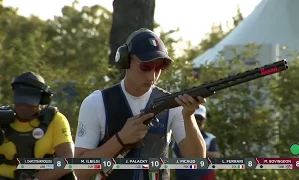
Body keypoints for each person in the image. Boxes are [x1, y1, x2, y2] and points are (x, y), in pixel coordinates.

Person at [74, 28, 207, 180]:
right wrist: (121, 139)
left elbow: (198, 162)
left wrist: (188, 116)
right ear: (126, 60)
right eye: (145, 67)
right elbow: (78, 170)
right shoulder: (97, 102)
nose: (152, 76)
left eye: (159, 68)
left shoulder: (171, 104)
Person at [0, 72, 75, 180]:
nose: (23, 105)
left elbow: (67, 160)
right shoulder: (2, 118)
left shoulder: (55, 120)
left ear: (43, 100)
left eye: (30, 99)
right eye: (20, 96)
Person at [172, 105, 221, 180]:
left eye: (200, 118)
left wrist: (196, 152)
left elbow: (216, 156)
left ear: (205, 120)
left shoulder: (211, 138)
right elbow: (184, 154)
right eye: (195, 118)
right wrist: (205, 154)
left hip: (205, 176)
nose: (197, 121)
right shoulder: (179, 136)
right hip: (184, 176)